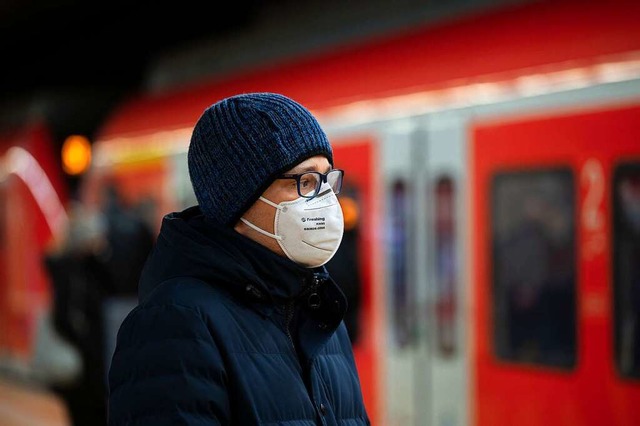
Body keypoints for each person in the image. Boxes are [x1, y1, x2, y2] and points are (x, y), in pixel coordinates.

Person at [108, 92, 371, 425]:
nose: (324, 198)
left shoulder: (320, 314)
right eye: (305, 182)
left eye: (327, 179)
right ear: (241, 200)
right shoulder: (175, 323)